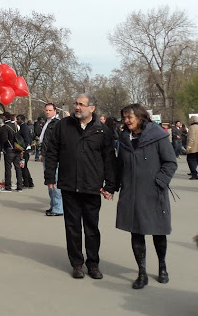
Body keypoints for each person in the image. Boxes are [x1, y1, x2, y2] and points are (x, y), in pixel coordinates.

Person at [44, 94, 116, 279]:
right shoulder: (63, 126)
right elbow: (52, 151)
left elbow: (109, 159)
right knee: (72, 227)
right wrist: (50, 176)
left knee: (92, 228)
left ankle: (93, 264)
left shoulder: (102, 131)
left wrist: (110, 185)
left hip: (92, 187)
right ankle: (77, 264)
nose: (77, 107)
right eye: (76, 104)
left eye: (81, 105)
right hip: (69, 185)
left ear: (91, 108)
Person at [116, 104, 177, 288]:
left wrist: (159, 181)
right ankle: (141, 273)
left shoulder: (158, 136)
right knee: (136, 232)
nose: (126, 121)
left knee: (158, 232)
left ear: (141, 117)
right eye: (124, 118)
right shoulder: (124, 138)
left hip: (154, 192)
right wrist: (114, 185)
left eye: (130, 117)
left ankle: (162, 266)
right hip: (131, 193)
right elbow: (120, 165)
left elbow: (170, 162)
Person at [39, 103, 62, 216]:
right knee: (50, 181)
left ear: (55, 111)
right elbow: (44, 140)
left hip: (54, 156)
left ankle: (58, 207)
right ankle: (54, 205)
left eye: (49, 110)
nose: (47, 112)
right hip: (47, 155)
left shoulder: (57, 123)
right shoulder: (48, 122)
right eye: (46, 110)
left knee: (55, 182)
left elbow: (54, 141)